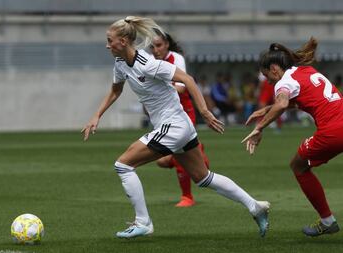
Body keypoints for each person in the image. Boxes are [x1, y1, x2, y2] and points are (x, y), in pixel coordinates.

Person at [82, 16, 270, 239]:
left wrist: (205, 112)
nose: (106, 44)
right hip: (179, 126)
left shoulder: (148, 64)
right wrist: (96, 115)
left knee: (123, 165)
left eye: (109, 40)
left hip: (173, 126)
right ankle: (255, 206)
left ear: (123, 41)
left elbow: (188, 80)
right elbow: (116, 90)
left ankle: (143, 222)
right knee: (203, 177)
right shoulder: (121, 64)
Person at [242, 37, 342, 237]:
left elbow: (282, 104)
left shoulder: (284, 82)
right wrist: (267, 109)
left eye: (267, 76)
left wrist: (259, 128)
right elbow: (302, 99)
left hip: (333, 131)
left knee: (298, 166)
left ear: (274, 69)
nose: (268, 81)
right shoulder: (306, 71)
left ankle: (327, 221)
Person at [150, 31, 210, 207]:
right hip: (163, 115)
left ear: (167, 44)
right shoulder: (151, 62)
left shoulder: (176, 59)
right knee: (161, 161)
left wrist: (158, 89)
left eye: (159, 45)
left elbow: (183, 88)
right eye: (152, 46)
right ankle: (198, 151)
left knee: (177, 154)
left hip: (183, 113)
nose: (155, 50)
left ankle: (187, 197)